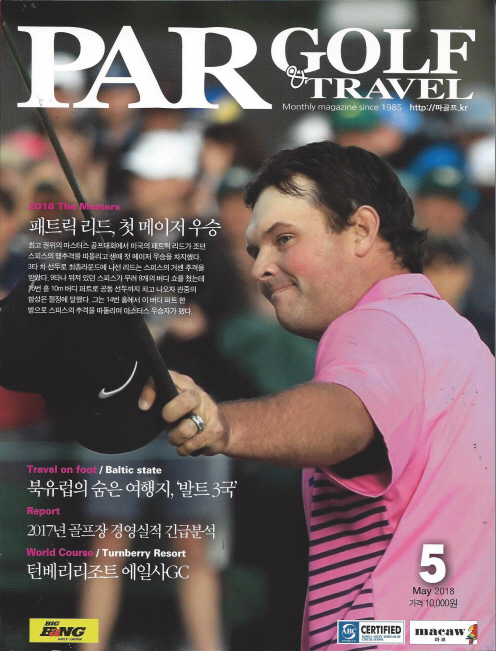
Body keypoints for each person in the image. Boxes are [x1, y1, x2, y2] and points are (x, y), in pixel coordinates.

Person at [139, 140, 494, 651]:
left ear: (362, 230)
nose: (261, 267)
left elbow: (346, 413)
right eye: (256, 249)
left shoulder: (376, 324)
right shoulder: (456, 337)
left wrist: (222, 425)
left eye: (284, 239)